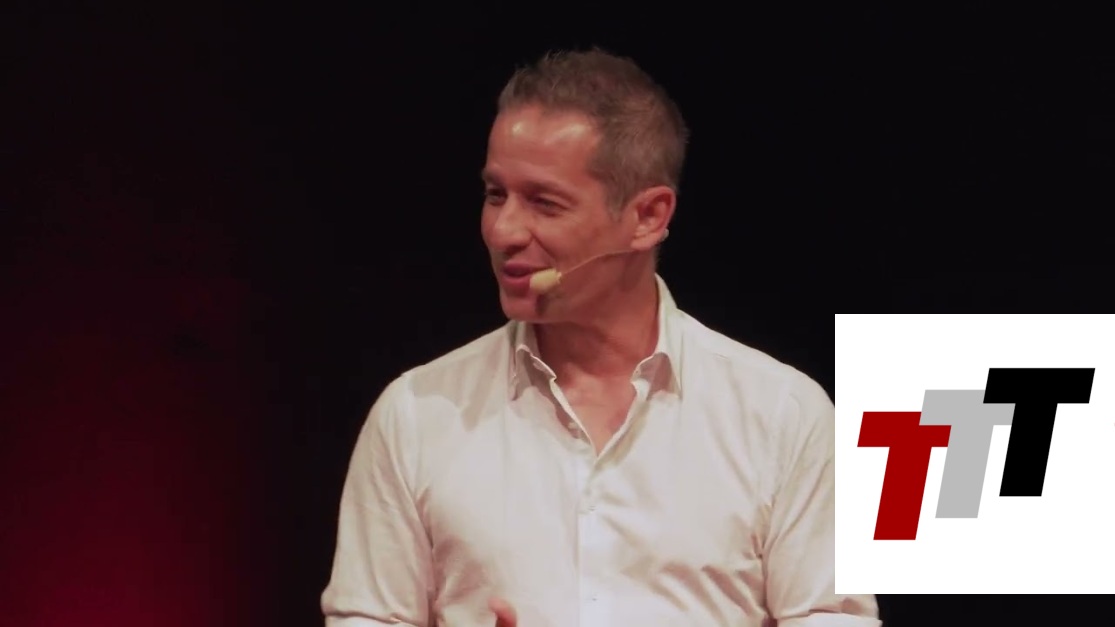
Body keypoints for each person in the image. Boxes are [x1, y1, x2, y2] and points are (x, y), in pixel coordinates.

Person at [321, 47, 879, 627]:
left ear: (648, 216)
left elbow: (832, 617)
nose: (504, 231)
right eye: (495, 195)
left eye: (545, 203)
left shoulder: (781, 414)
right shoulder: (416, 415)